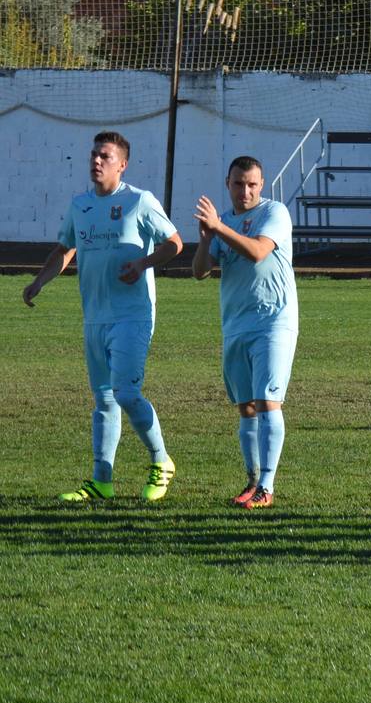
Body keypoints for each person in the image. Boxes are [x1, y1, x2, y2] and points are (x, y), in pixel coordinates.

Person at [23, 130, 183, 502]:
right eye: (94, 155)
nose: (97, 161)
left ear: (122, 165)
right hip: (94, 317)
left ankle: (162, 461)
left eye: (105, 156)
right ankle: (101, 481)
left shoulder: (139, 201)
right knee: (104, 400)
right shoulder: (80, 205)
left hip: (133, 315)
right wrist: (39, 282)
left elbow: (174, 243)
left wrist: (143, 263)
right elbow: (66, 248)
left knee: (126, 393)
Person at [191, 156, 300, 509]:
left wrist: (219, 228)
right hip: (236, 323)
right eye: (238, 184)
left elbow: (256, 252)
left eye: (252, 184)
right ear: (228, 183)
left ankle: (268, 486)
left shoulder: (275, 213)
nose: (245, 191)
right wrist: (206, 240)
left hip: (274, 321)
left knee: (268, 401)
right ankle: (252, 481)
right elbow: (200, 271)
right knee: (246, 408)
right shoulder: (223, 221)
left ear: (262, 185)